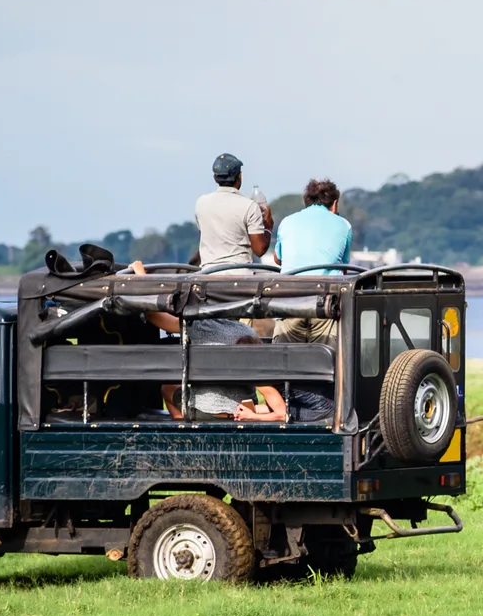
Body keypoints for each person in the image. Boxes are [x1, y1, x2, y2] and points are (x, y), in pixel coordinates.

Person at [127, 261, 286, 421]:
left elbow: (154, 314)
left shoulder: (199, 325)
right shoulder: (248, 332)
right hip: (243, 412)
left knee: (168, 389)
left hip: (205, 413)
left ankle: (181, 421)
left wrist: (141, 275)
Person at [270, 178, 353, 344]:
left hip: (289, 302)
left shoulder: (287, 222)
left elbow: (278, 259)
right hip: (325, 304)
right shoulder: (344, 225)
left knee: (284, 363)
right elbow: (343, 267)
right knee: (329, 363)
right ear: (335, 204)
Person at [194, 153, 274, 275]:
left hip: (208, 275)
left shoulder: (201, 203)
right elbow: (259, 250)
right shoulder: (249, 206)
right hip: (240, 276)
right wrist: (268, 227)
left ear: (215, 178)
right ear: (239, 176)